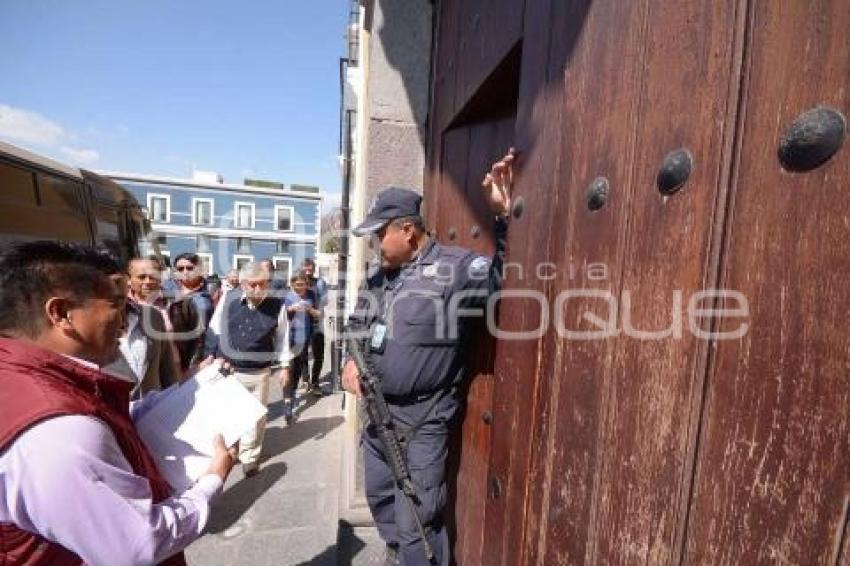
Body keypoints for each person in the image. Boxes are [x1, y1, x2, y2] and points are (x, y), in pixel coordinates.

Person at [0, 241, 237, 565]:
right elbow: (138, 546)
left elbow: (108, 416)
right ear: (61, 313)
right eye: (115, 305)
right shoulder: (58, 435)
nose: (125, 324)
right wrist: (212, 480)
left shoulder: (24, 377)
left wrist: (185, 390)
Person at [341, 149, 515, 566]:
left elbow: (501, 285)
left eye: (379, 233)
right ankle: (397, 556)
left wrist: (503, 218)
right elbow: (357, 321)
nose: (374, 242)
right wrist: (351, 360)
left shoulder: (456, 268)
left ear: (408, 230)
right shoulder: (380, 276)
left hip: (422, 421)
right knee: (381, 497)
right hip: (378, 415)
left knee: (419, 519)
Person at [203, 262, 290, 476]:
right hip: (229, 370)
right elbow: (215, 328)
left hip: (259, 372)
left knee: (255, 418)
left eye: (262, 284)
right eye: (252, 285)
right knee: (228, 414)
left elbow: (283, 339)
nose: (258, 289)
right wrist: (210, 356)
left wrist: (285, 367)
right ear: (242, 284)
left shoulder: (277, 305)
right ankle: (229, 452)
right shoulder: (229, 298)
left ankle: (249, 460)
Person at [104, 256, 180, 399]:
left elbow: (167, 367)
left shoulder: (155, 314)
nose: (148, 281)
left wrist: (173, 399)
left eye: (118, 280)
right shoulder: (83, 324)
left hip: (152, 409)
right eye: (142, 277)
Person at [282, 270, 321, 423]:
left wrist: (310, 309)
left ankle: (291, 397)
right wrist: (291, 309)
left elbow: (319, 314)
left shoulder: (311, 295)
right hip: (288, 339)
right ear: (292, 284)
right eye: (297, 285)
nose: (301, 288)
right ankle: (288, 404)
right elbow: (279, 315)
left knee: (297, 371)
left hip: (303, 339)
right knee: (288, 371)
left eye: (303, 285)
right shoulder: (287, 296)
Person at [301, 257, 329, 395]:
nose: (308, 269)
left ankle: (315, 382)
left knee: (319, 354)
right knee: (302, 353)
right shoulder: (298, 282)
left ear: (313, 268)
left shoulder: (320, 283)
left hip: (317, 323)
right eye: (305, 267)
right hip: (302, 323)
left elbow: (325, 301)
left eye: (310, 267)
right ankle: (305, 381)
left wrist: (315, 311)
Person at [169, 252, 214, 330]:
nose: (185, 272)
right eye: (180, 269)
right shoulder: (167, 288)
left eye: (190, 268)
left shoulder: (212, 290)